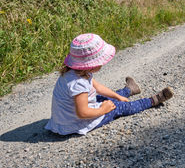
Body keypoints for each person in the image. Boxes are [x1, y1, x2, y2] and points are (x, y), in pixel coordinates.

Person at [45, 33, 174, 135]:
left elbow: (98, 88)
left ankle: (128, 90)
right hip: (75, 123)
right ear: (90, 65)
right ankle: (154, 100)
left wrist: (117, 96)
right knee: (118, 107)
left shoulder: (76, 73)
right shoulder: (78, 83)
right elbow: (82, 113)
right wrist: (103, 109)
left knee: (108, 98)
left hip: (69, 117)